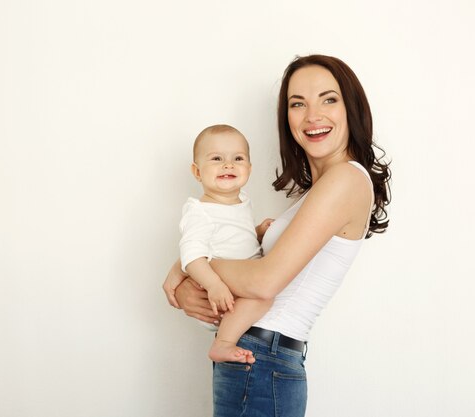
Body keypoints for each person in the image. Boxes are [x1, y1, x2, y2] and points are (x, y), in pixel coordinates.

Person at [163, 54, 391, 417]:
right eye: (297, 103)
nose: (312, 115)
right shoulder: (315, 194)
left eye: (328, 99)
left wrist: (196, 267)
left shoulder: (345, 179)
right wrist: (187, 263)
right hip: (255, 357)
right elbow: (245, 254)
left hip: (262, 359)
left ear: (352, 109)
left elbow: (265, 281)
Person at [167, 124, 275, 363]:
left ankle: (227, 338)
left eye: (238, 158)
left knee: (262, 291)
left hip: (235, 280)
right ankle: (223, 344)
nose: (228, 165)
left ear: (249, 168)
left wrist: (257, 232)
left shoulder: (242, 201)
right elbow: (192, 257)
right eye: (216, 158)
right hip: (217, 292)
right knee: (263, 295)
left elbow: (234, 238)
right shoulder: (200, 211)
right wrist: (214, 285)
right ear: (197, 172)